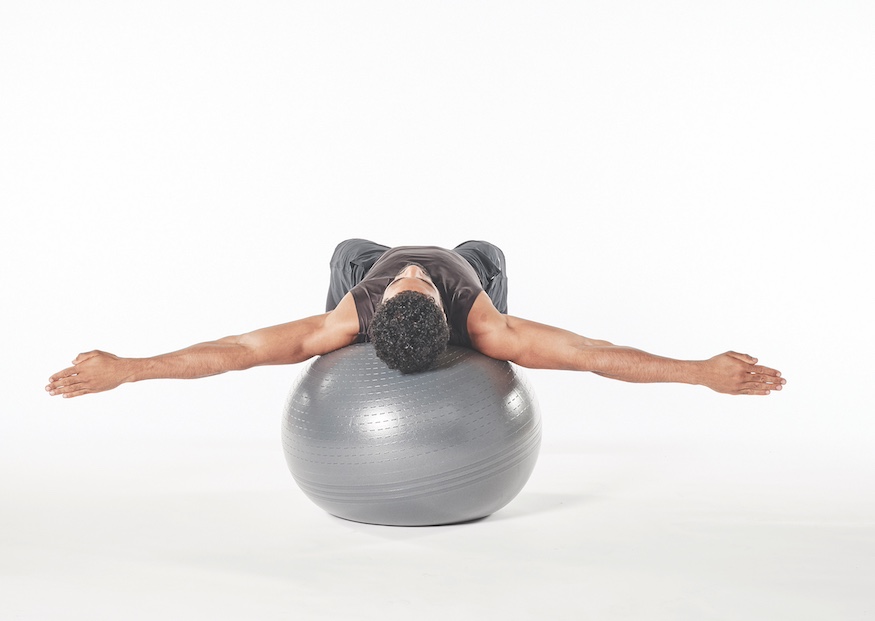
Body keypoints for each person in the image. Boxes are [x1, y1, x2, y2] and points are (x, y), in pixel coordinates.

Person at [45, 239, 785, 398]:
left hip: (448, 282)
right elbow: (238, 348)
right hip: (444, 278)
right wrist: (129, 368)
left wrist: (697, 371)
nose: (409, 272)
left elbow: (594, 350)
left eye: (415, 284)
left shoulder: (474, 321)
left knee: (375, 248)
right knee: (454, 252)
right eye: (407, 284)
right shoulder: (356, 314)